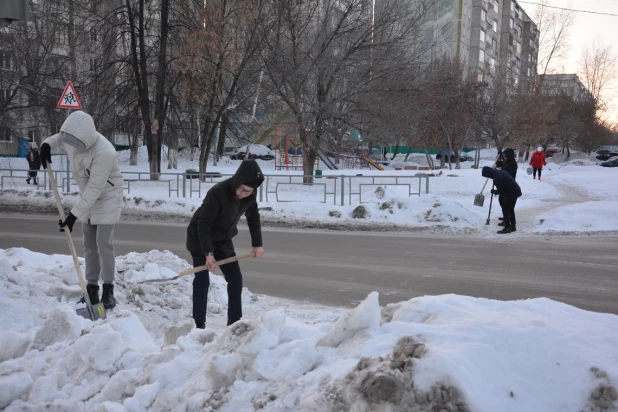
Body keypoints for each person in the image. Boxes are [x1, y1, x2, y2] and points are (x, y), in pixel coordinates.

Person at [40, 111, 124, 309]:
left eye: (74, 141)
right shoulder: (73, 139)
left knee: (103, 244)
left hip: (107, 197)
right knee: (89, 245)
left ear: (85, 137)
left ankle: (109, 291)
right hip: (88, 195)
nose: (71, 145)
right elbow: (61, 137)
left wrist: (73, 216)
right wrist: (46, 145)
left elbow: (96, 188)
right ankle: (92, 289)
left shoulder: (104, 152)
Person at [186, 159, 266, 329]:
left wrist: (257, 245)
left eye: (249, 191)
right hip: (200, 238)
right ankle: (199, 324)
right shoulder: (218, 192)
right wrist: (208, 253)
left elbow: (253, 218)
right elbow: (204, 224)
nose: (244, 194)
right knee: (202, 280)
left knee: (235, 279)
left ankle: (234, 323)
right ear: (237, 180)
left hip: (223, 239)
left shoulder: (249, 195)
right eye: (242, 189)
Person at [482, 166, 522, 234]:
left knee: (505, 209)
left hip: (511, 192)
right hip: (516, 190)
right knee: (510, 209)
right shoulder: (499, 172)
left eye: (487, 176)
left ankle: (507, 227)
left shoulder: (497, 178)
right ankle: (513, 226)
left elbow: (501, 190)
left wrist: (494, 191)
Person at [495, 148, 518, 227]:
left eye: (505, 156)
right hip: (505, 185)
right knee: (501, 200)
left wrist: (497, 173)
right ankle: (506, 216)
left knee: (506, 204)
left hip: (508, 186)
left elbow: (505, 172)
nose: (504, 157)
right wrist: (497, 162)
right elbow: (501, 163)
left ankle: (507, 220)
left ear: (509, 156)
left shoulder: (512, 164)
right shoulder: (507, 161)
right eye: (504, 156)